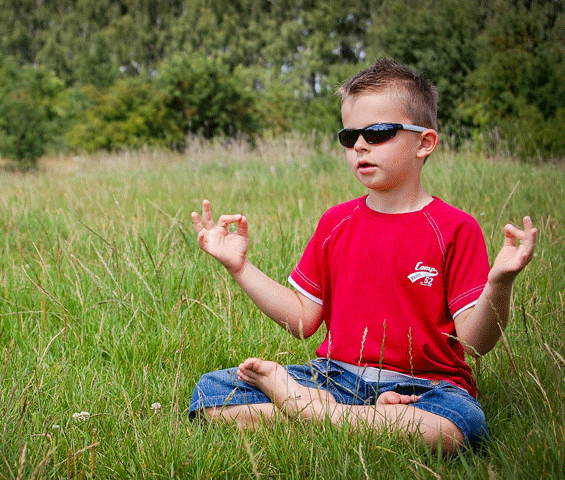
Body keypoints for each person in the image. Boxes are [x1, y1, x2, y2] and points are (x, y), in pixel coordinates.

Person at [187, 58, 537, 454]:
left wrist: (499, 284)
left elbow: (474, 343)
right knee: (212, 393)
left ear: (424, 143)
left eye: (378, 132)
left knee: (457, 428)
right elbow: (303, 319)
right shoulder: (335, 222)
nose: (360, 146)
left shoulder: (455, 228)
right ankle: (349, 417)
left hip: (426, 387)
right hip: (334, 378)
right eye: (349, 135)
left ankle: (309, 412)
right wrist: (240, 267)